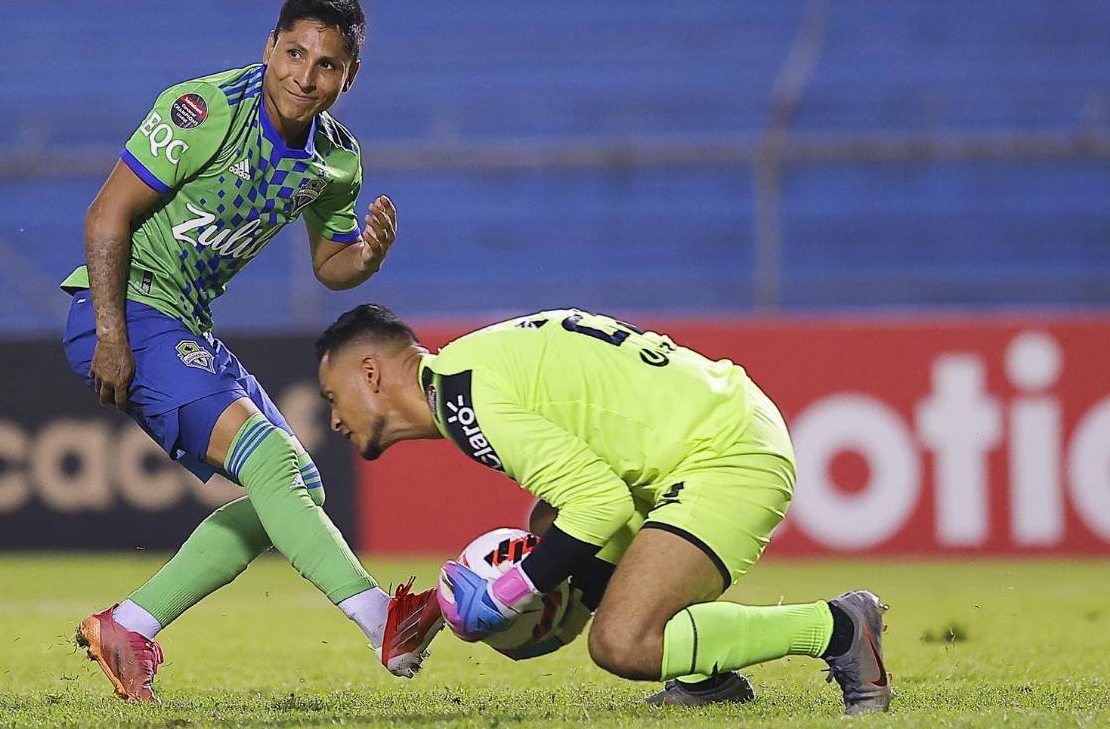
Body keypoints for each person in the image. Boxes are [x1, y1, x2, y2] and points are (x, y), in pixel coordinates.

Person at [60, 0, 441, 703]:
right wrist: (111, 332)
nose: (304, 75)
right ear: (269, 48)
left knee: (299, 484)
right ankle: (379, 620)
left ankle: (128, 626)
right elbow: (107, 212)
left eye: (327, 65)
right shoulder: (202, 110)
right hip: (128, 307)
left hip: (186, 322)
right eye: (293, 53)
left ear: (348, 77)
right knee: (272, 464)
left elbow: (333, 267)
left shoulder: (335, 162)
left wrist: (370, 256)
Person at [314, 304, 893, 716]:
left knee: (621, 642)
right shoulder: (468, 370)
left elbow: (600, 503)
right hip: (711, 431)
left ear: (370, 372)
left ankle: (839, 627)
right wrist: (447, 610)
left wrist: (503, 594)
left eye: (333, 398)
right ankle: (704, 677)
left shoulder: (467, 399)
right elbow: (575, 522)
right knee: (547, 527)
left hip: (725, 453)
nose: (335, 419)